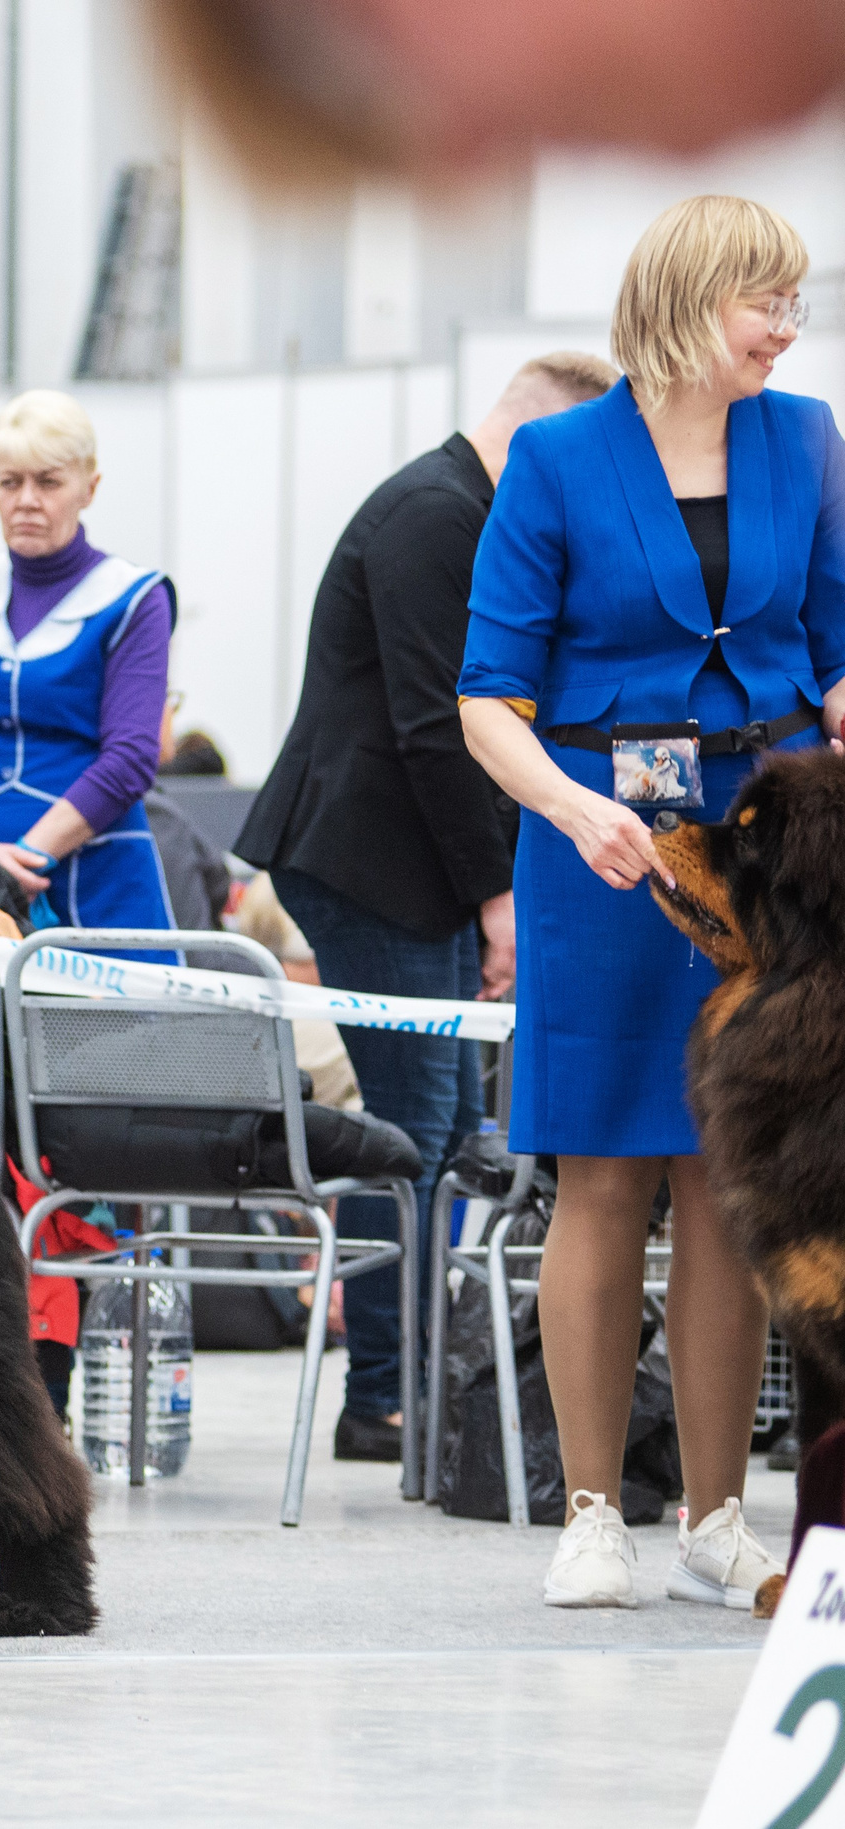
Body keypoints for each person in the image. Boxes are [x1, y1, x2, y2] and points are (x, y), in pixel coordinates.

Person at [458, 196, 845, 1608]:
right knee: (603, 1175)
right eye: (770, 304)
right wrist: (573, 810)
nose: (789, 331)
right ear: (693, 300)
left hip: (768, 847)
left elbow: (833, 642)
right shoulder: (557, 459)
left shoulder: (804, 438)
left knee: (724, 1177)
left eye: (798, 306)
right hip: (599, 838)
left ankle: (715, 1513)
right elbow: (486, 700)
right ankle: (587, 1510)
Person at [239, 351, 618, 1464]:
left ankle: (413, 1381)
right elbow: (435, 723)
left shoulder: (462, 510)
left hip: (413, 864)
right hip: (366, 857)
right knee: (412, 1133)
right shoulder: (432, 516)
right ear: (541, 439)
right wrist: (497, 895)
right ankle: (384, 1396)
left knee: (442, 1128)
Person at [0, 390, 179, 933]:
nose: (27, 499)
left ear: (89, 487)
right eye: (10, 482)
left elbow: (130, 756)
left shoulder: (133, 596)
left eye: (48, 482)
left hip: (99, 879)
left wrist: (24, 858)